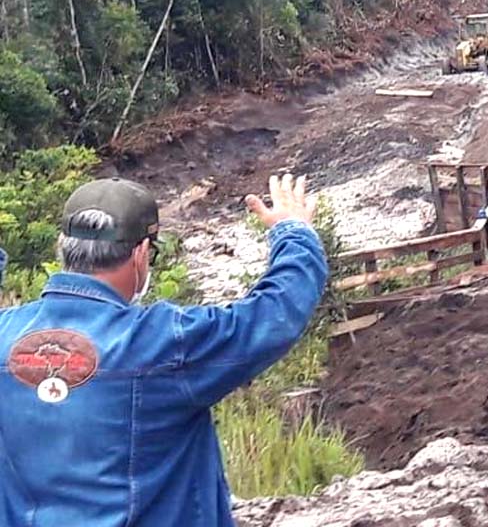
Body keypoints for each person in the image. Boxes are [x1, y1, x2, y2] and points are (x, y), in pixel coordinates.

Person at [0, 173, 328, 526]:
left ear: (62, 248)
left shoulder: (5, 333)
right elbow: (274, 314)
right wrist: (292, 232)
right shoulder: (162, 342)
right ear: (141, 253)